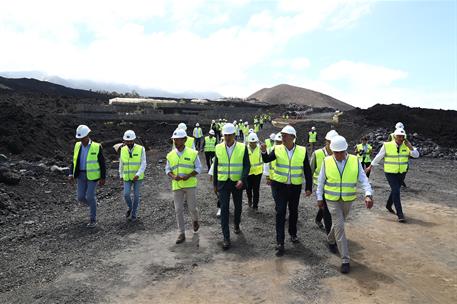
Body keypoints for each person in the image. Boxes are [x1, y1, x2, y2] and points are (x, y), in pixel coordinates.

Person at [316, 135, 373, 274]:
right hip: (332, 199)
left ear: (346, 150)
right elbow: (321, 180)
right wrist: (319, 197)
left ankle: (330, 239)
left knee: (338, 225)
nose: (338, 155)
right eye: (336, 152)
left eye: (341, 152)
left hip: (348, 199)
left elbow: (363, 179)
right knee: (340, 226)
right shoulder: (327, 161)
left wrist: (368, 194)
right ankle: (345, 260)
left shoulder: (354, 160)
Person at [260, 125, 313, 257]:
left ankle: (293, 233)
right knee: (280, 212)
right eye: (282, 135)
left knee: (293, 212)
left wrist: (308, 187)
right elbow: (267, 160)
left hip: (295, 187)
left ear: (292, 137)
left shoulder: (301, 150)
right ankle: (280, 242)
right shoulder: (277, 149)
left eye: (285, 135)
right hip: (280, 186)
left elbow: (307, 170)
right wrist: (263, 152)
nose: (282, 137)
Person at [366, 128, 419, 222]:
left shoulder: (407, 145)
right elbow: (379, 156)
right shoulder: (387, 145)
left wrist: (410, 147)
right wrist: (371, 166)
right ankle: (400, 214)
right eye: (398, 136)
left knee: (396, 190)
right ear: (394, 136)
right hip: (390, 173)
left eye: (402, 136)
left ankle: (388, 205)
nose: (400, 138)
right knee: (396, 190)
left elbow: (416, 155)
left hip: (401, 173)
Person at [213, 123, 250, 250]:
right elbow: (216, 167)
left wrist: (242, 179)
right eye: (225, 135)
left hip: (237, 183)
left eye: (229, 135)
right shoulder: (218, 147)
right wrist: (215, 185)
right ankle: (226, 238)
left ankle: (236, 224)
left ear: (234, 135)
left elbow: (246, 166)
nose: (227, 137)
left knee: (238, 207)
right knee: (224, 209)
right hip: (223, 183)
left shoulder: (242, 147)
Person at [165, 128, 202, 244]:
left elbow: (199, 168)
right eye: (174, 140)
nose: (175, 142)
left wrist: (189, 175)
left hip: (190, 184)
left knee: (192, 208)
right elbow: (167, 169)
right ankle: (181, 233)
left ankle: (195, 220)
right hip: (177, 185)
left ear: (184, 140)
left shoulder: (192, 153)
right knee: (178, 209)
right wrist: (172, 176)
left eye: (178, 139)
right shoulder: (170, 155)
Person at [68, 125, 106, 228]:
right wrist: (71, 173)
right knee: (80, 197)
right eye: (80, 138)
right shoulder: (77, 145)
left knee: (89, 196)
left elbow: (102, 163)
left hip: (93, 176)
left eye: (83, 137)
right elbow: (74, 161)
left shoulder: (97, 146)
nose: (81, 140)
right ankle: (93, 205)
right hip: (80, 175)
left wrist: (103, 177)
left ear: (88, 135)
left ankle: (93, 220)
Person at [310, 130, 338, 234]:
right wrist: (309, 187)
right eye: (330, 142)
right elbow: (311, 170)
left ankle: (318, 219)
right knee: (327, 209)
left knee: (325, 207)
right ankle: (329, 235)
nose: (332, 145)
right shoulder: (317, 154)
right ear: (326, 141)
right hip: (319, 185)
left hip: (332, 186)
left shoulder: (338, 154)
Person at [119, 130, 146, 222]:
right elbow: (121, 163)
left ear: (134, 140)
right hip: (127, 176)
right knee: (126, 194)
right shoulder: (122, 149)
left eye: (130, 141)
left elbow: (143, 163)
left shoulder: (141, 149)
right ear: (125, 141)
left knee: (136, 195)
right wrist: (120, 174)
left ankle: (134, 214)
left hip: (137, 177)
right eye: (127, 141)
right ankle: (131, 208)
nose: (129, 143)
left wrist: (138, 174)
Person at [246, 133, 263, 211]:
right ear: (248, 142)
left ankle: (255, 205)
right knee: (248, 188)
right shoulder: (245, 149)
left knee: (256, 189)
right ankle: (250, 199)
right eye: (251, 142)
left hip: (257, 173)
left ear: (256, 141)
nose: (253, 144)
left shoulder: (260, 149)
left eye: (254, 142)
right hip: (248, 173)